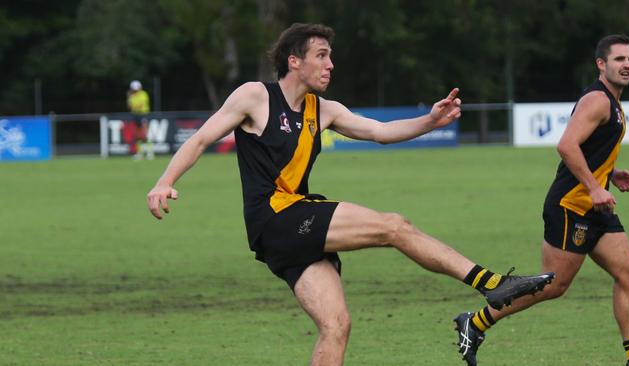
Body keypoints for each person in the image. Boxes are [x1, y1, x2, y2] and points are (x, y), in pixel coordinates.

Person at [146, 23, 554, 365]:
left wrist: (430, 121)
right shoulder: (254, 95)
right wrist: (166, 180)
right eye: (321, 55)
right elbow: (200, 139)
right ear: (294, 60)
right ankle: (491, 283)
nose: (330, 64)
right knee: (393, 226)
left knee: (336, 325)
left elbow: (379, 132)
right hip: (277, 219)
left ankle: (491, 285)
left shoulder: (323, 110)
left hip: (292, 228)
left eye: (330, 56)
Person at [454, 34, 629, 366]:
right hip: (572, 207)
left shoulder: (613, 102)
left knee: (628, 273)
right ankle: (476, 322)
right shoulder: (598, 100)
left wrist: (609, 175)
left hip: (596, 207)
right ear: (601, 64)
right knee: (554, 285)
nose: (627, 65)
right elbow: (567, 145)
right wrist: (595, 187)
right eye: (619, 59)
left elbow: (590, 148)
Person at [127, 79, 154, 160]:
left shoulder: (143, 94)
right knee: (137, 135)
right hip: (135, 115)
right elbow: (130, 107)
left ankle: (150, 152)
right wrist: (129, 99)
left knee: (145, 134)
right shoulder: (131, 96)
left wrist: (134, 104)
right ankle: (139, 153)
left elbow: (141, 105)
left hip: (143, 114)